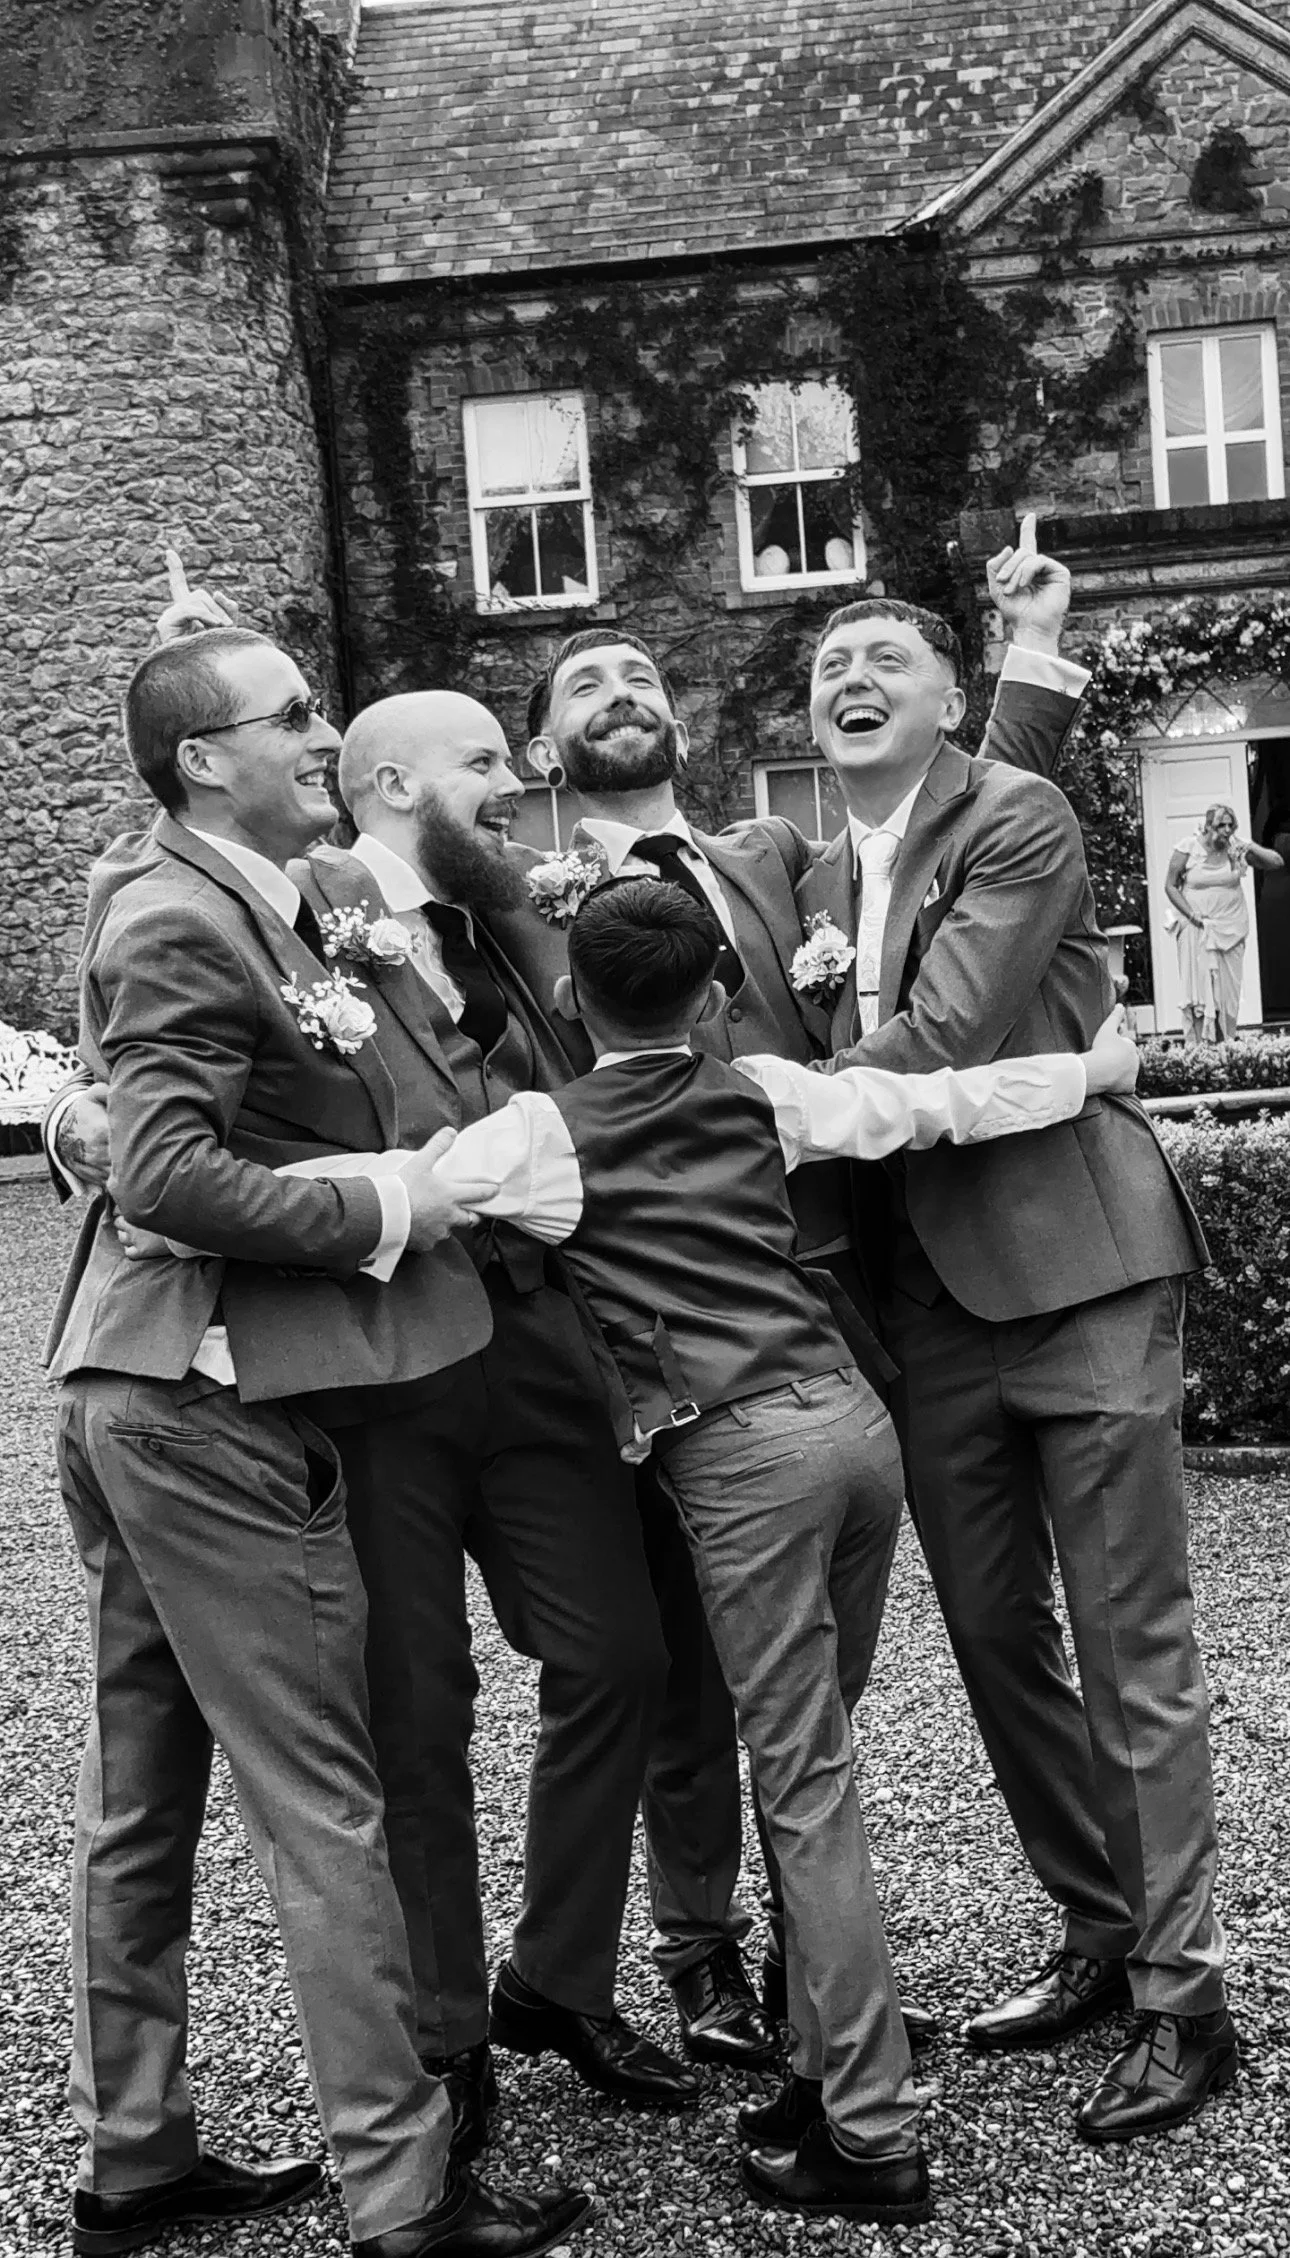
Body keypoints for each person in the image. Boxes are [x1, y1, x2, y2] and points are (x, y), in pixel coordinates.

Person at [268, 875, 1139, 2227]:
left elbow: (399, 1193)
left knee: (802, 1786)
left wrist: (155, 1173)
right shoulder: (766, 1090)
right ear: (720, 994)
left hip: (740, 1458)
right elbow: (936, 1100)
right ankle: (820, 2064)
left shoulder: (542, 1131)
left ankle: (870, 2129)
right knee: (816, 1758)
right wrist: (1088, 1066)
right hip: (856, 1433)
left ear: (565, 997)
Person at [490, 525, 1089, 2036]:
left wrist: (1022, 668)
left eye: (639, 671)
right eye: (584, 679)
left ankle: (809, 1961)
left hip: (832, 1313)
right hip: (636, 1341)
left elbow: (939, 835)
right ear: (545, 745)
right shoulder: (507, 904)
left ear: (677, 717)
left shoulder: (773, 860)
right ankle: (701, 1956)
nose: (618, 688)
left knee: (810, 1677)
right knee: (688, 1676)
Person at [45, 624, 591, 2258]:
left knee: (143, 1795)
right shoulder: (171, 917)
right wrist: (390, 1201)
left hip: (147, 1386)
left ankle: (136, 2153)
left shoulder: (290, 905)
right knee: (323, 1797)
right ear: (202, 758)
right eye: (290, 715)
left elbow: (362, 1085)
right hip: (205, 1404)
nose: (322, 730)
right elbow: (167, 1174)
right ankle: (401, 2191)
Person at [793, 592, 1236, 2145]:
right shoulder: (818, 865)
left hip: (1081, 1271)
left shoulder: (1017, 811)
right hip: (925, 1313)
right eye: (827, 664)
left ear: (948, 695)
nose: (850, 677)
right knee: (991, 1636)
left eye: (883, 659)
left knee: (1128, 1642)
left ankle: (1188, 1996)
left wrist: (715, 1118)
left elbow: (936, 1032)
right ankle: (1100, 1925)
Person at [1164, 801, 1284, 1042]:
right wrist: (1191, 914)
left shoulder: (1236, 849)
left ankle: (1225, 1043)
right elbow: (1170, 886)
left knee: (1227, 995)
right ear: (1207, 826)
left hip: (1231, 929)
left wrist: (1248, 846)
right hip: (1196, 929)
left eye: (1231, 825)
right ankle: (1198, 1050)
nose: (1227, 831)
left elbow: (1276, 862)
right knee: (1198, 994)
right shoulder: (1187, 848)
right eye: (1221, 825)